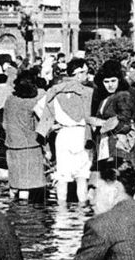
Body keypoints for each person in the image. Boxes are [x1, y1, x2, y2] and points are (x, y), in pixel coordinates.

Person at [36, 58, 93, 205]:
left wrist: (54, 124)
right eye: (85, 72)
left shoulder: (54, 90)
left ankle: (61, 215)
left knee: (62, 178)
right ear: (78, 73)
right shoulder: (89, 92)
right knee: (82, 178)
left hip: (64, 135)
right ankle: (82, 213)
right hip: (83, 134)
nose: (87, 76)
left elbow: (38, 108)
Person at [3, 76, 45, 199]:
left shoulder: (9, 100)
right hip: (29, 146)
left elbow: (4, 124)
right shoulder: (32, 103)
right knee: (25, 187)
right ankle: (24, 213)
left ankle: (13, 210)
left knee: (14, 183)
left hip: (12, 145)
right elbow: (43, 120)